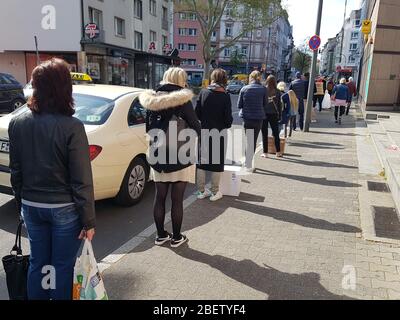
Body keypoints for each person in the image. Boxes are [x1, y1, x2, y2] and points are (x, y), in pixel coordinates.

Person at [8, 58, 96, 300]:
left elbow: (16, 171)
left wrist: (21, 205)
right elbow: (81, 179)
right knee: (61, 266)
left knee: (38, 262)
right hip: (64, 209)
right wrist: (88, 221)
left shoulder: (17, 122)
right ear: (64, 87)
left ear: (36, 86)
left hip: (32, 205)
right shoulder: (72, 126)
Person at [140, 67, 201, 248]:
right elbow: (196, 127)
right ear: (181, 80)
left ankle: (160, 236)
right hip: (180, 156)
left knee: (159, 197)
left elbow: (148, 129)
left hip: (157, 154)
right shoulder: (183, 100)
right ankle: (176, 238)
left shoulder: (152, 99)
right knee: (177, 200)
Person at [195, 68, 233, 202]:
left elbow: (197, 113)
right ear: (224, 79)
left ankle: (201, 191)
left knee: (201, 161)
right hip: (219, 133)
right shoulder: (225, 95)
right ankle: (214, 192)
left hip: (204, 131)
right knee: (217, 162)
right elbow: (228, 120)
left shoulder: (203, 92)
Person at [238, 70, 268, 172]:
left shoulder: (244, 88)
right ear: (260, 78)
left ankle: (248, 164)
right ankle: (248, 163)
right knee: (253, 141)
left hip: (247, 118)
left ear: (251, 77)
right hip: (258, 118)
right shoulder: (263, 89)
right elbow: (265, 103)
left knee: (248, 140)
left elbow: (239, 105)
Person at [262, 75, 282, 158]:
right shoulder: (278, 91)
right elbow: (279, 105)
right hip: (274, 114)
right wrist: (280, 115)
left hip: (264, 114)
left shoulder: (263, 90)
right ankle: (278, 152)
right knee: (276, 133)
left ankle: (265, 153)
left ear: (267, 81)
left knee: (264, 133)